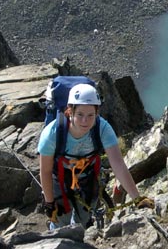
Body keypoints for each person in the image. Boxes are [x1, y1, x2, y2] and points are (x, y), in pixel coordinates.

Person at [37, 83, 153, 229]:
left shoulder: (103, 129)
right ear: (70, 111)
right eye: (80, 114)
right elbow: (45, 170)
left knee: (83, 221)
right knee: (60, 220)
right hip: (59, 178)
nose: (85, 121)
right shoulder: (52, 133)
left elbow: (118, 165)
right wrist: (49, 202)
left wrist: (137, 198)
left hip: (88, 179)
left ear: (97, 113)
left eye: (90, 115)